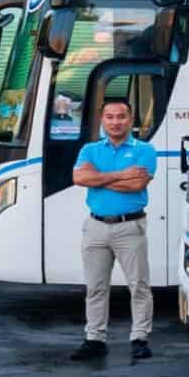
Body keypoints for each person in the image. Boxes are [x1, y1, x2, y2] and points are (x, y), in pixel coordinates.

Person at [71, 92, 155, 361]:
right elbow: (79, 178)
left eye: (121, 117)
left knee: (138, 286)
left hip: (130, 227)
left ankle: (140, 338)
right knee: (95, 287)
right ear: (102, 120)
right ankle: (94, 339)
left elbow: (137, 185)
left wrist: (98, 178)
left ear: (130, 120)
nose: (116, 122)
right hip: (96, 227)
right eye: (110, 117)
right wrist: (121, 175)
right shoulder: (89, 149)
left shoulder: (145, 150)